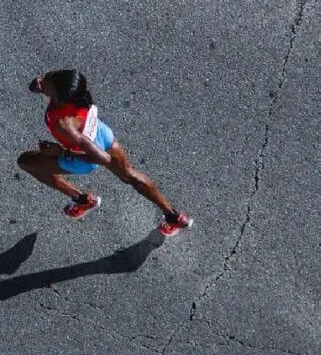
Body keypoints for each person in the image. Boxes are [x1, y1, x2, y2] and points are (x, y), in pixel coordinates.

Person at [17, 69, 193, 236]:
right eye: (47, 77)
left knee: (27, 162)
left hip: (85, 157)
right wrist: (43, 89)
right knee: (130, 175)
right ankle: (174, 217)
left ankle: (83, 201)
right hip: (102, 134)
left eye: (47, 83)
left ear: (60, 97)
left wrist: (62, 152)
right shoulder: (77, 94)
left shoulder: (65, 124)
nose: (41, 80)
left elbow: (102, 158)